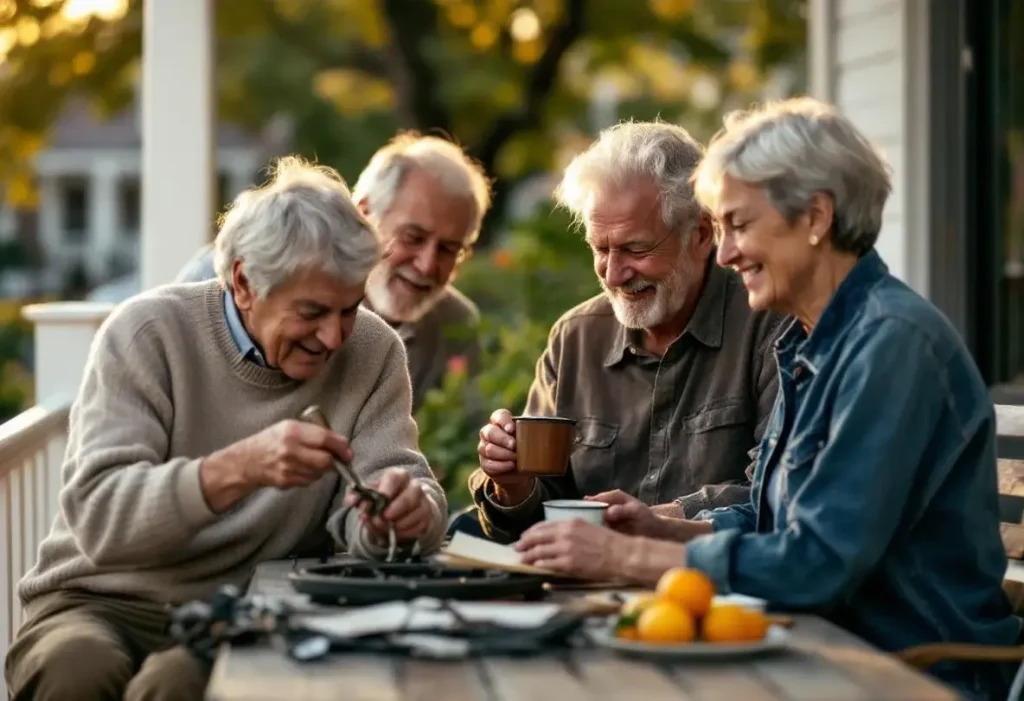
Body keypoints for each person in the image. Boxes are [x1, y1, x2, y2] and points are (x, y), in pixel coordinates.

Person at [513, 98, 1020, 700]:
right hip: (811, 652)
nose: (724, 254)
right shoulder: (817, 341)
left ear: (816, 217)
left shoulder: (891, 345)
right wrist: (658, 529)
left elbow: (817, 564)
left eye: (739, 225)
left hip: (904, 672)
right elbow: (773, 519)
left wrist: (626, 560)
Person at [4, 156, 449, 701]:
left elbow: (405, 490)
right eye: (312, 311)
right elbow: (100, 518)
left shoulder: (374, 349)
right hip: (100, 601)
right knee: (76, 669)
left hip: (245, 610)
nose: (335, 338)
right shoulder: (146, 333)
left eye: (349, 309)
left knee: (179, 684)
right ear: (243, 282)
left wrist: (401, 516)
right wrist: (239, 468)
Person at [468, 121, 786, 543]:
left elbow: (779, 493)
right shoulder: (576, 338)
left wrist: (663, 520)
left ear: (702, 234)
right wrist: (512, 484)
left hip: (710, 590)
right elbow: (534, 518)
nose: (614, 274)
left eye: (636, 249)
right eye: (601, 249)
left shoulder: (769, 324)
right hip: (586, 592)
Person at [177, 133, 490, 412]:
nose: (427, 264)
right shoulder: (228, 277)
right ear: (365, 213)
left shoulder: (454, 326)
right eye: (413, 237)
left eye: (449, 248)